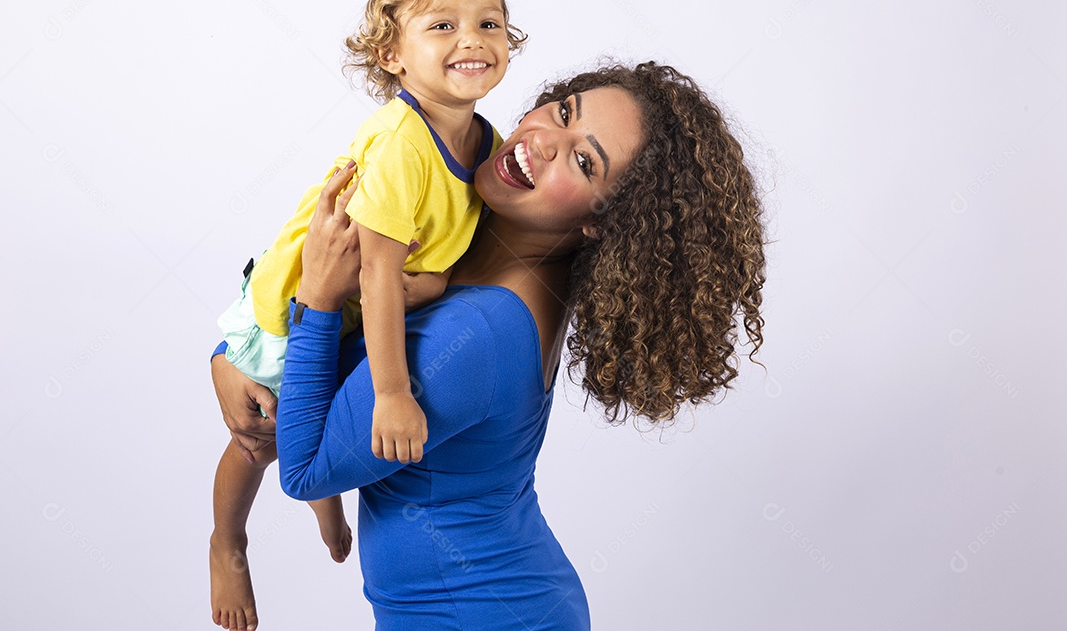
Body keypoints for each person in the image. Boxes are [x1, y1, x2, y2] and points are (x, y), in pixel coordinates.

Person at [213, 61, 767, 629]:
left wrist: (317, 297)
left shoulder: (479, 333)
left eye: (583, 161)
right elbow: (332, 325)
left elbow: (304, 468)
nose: (544, 141)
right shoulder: (478, 238)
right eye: (564, 110)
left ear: (604, 223)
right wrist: (229, 357)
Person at [209, 0, 527, 631]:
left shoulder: (485, 138)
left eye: (489, 23)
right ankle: (228, 540)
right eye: (441, 25)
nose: (471, 39)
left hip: (351, 317)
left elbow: (439, 249)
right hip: (286, 310)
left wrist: (438, 280)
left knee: (317, 421)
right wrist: (393, 394)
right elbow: (376, 271)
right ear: (392, 56)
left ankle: (324, 499)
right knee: (257, 443)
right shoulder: (398, 144)